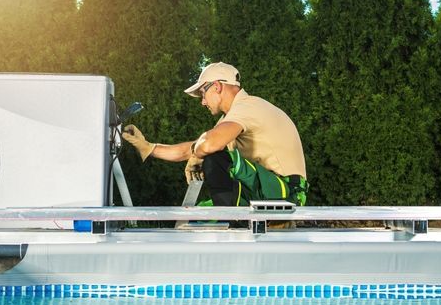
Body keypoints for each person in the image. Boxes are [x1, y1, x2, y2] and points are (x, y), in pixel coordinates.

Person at [121, 62, 308, 207]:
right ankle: (228, 219)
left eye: (203, 93)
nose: (202, 102)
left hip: (288, 193)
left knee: (215, 158)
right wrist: (147, 146)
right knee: (199, 216)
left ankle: (233, 221)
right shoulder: (233, 117)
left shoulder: (248, 107)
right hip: (269, 190)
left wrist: (200, 152)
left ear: (217, 86)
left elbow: (208, 145)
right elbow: (193, 148)